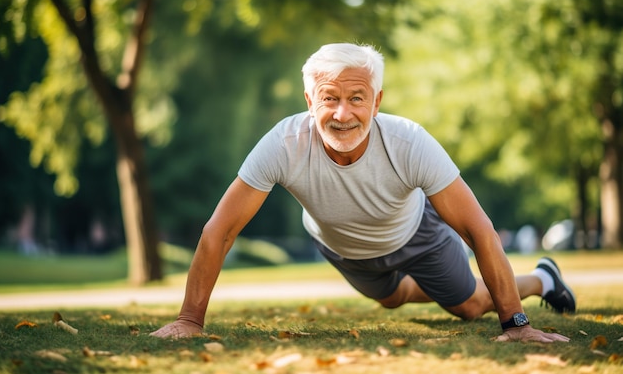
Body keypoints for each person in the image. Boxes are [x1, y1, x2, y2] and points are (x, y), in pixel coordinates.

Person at [150, 43, 575, 342]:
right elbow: (220, 230)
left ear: (376, 102)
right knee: (392, 300)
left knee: (467, 306)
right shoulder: (284, 143)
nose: (342, 113)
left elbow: (477, 229)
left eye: (357, 98)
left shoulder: (410, 142)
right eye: (329, 97)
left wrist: (516, 324)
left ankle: (541, 278)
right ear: (308, 99)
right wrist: (190, 320)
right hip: (344, 249)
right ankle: (470, 284)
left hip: (416, 237)